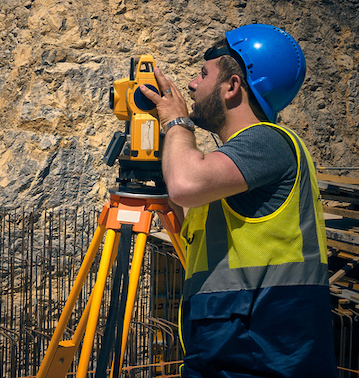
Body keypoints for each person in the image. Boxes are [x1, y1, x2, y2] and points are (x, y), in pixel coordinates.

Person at [139, 24, 338, 377]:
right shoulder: (230, 171)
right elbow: (216, 249)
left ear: (232, 86)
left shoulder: (269, 143)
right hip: (231, 351)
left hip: (266, 358)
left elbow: (185, 183)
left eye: (203, 75)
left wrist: (176, 121)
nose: (191, 85)